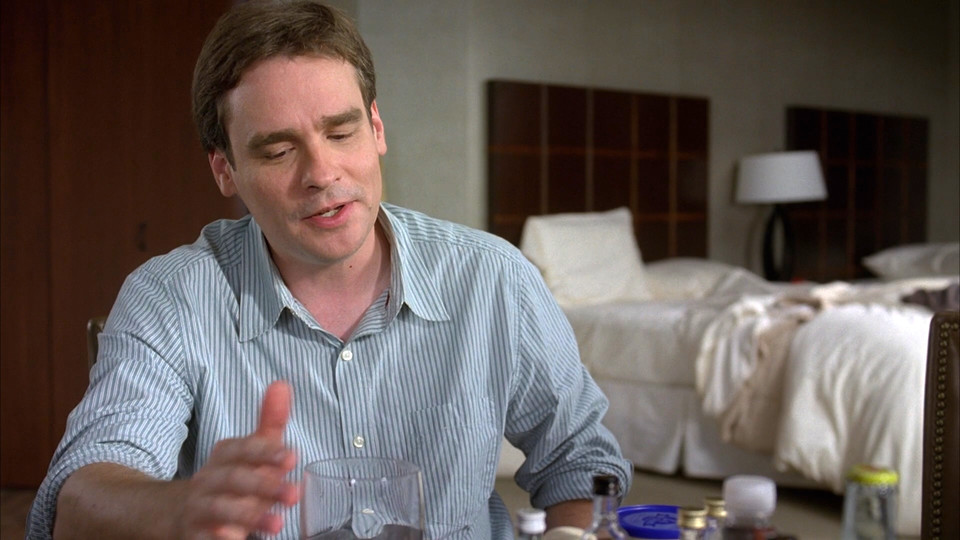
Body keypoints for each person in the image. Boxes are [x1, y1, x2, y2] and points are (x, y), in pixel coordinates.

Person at [26, 1, 631, 538]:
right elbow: (74, 506)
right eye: (279, 150)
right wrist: (175, 511)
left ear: (377, 129)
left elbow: (581, 463)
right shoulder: (170, 297)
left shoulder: (494, 278)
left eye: (341, 132)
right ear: (225, 170)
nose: (322, 173)